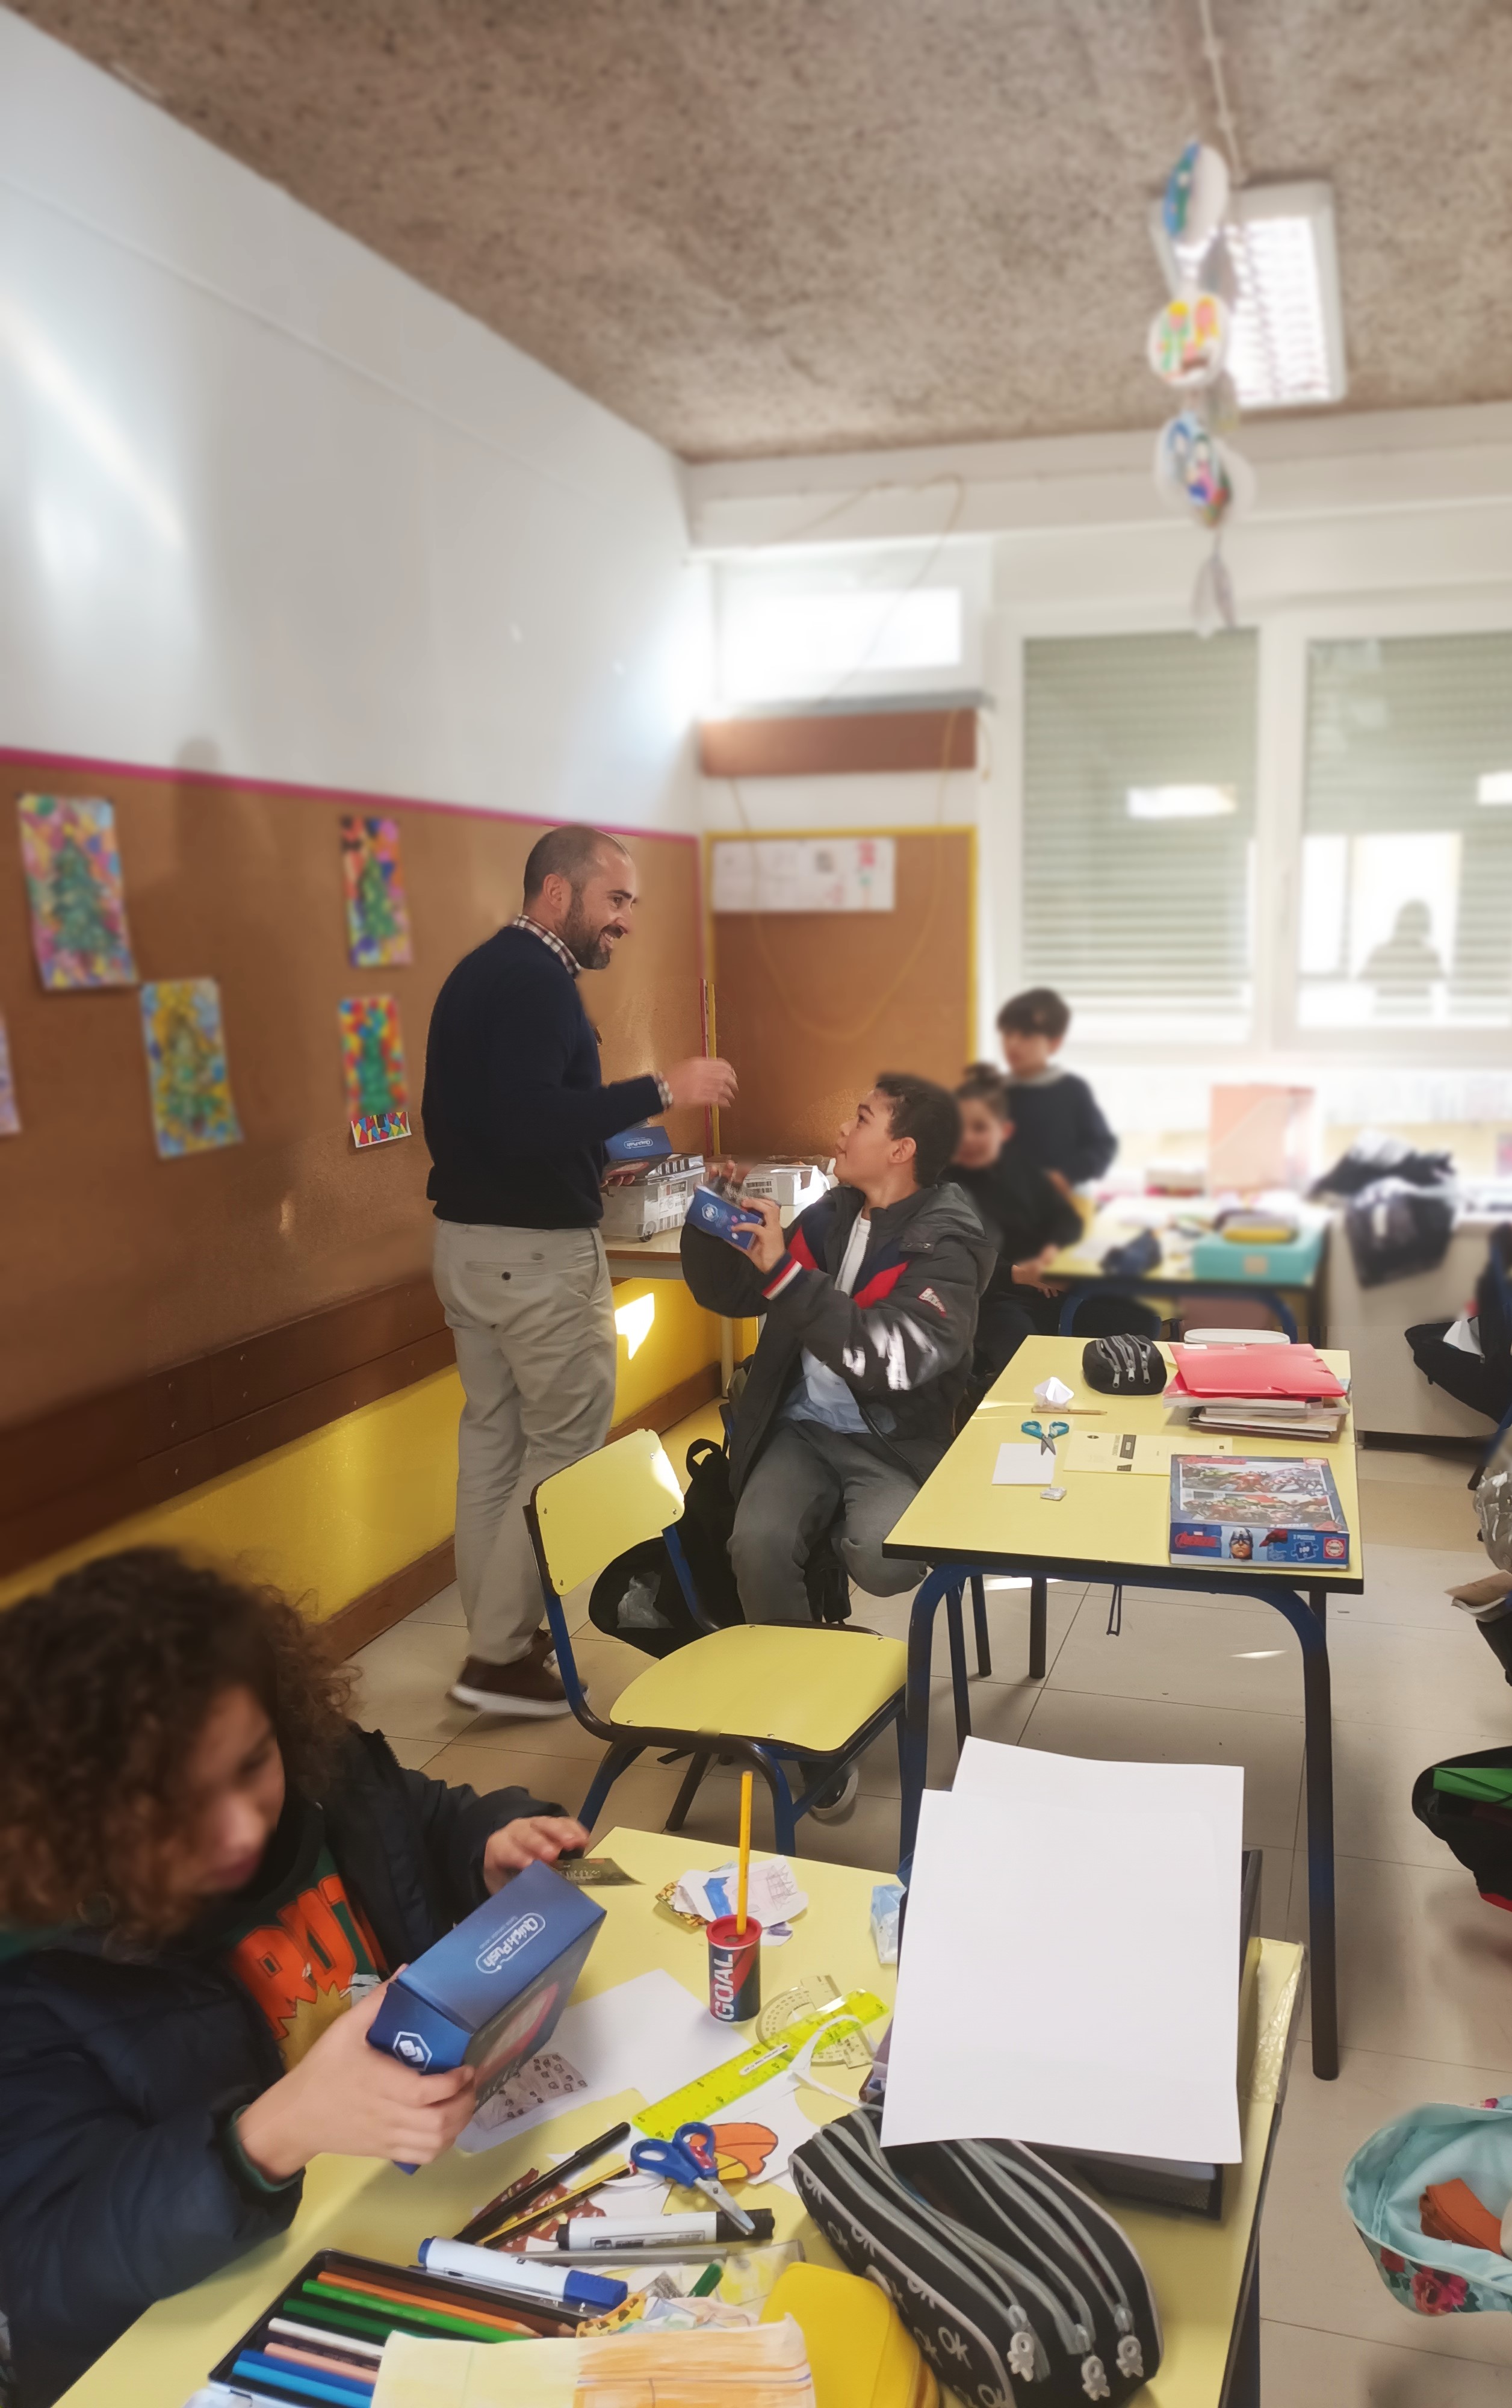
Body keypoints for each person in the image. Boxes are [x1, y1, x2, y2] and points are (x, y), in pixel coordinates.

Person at [0, 1550, 589, 2406]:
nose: (240, 1830)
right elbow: (50, 2270)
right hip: (237, 2310)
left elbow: (426, 1819)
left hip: (429, 2200)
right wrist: (270, 2134)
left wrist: (487, 1846)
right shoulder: (39, 1980)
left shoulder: (329, 1783)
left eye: (251, 1764)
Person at [422, 825, 736, 1716]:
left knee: (494, 1443)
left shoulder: (480, 974)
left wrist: (587, 1161)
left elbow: (493, 1122)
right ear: (557, 893)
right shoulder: (535, 982)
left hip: (469, 1246)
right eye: (616, 900)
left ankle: (497, 1638)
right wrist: (663, 1089)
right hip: (534, 1258)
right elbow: (529, 1120)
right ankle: (496, 1659)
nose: (626, 920)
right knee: (560, 1449)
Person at [680, 1074, 992, 1667]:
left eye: (863, 1118)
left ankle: (829, 1551)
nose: (844, 1129)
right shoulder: (831, 1215)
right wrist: (710, 1222)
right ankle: (798, 1687)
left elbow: (890, 1357)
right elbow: (733, 1293)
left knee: (884, 1559)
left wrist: (787, 1276)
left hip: (891, 1440)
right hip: (800, 1427)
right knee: (757, 1545)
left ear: (902, 1150)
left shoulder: (948, 1245)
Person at [947, 1063, 1082, 1388]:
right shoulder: (949, 1186)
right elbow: (953, 1269)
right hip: (989, 1300)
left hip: (1045, 1293)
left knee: (1120, 1315)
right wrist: (1020, 1275)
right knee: (1026, 1355)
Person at [995, 988, 1116, 1193]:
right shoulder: (993, 1092)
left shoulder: (1073, 1090)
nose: (1013, 1044)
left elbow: (1102, 1146)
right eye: (1008, 1034)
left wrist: (1067, 1175)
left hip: (1063, 1199)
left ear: (1055, 1043)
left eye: (1026, 1035)